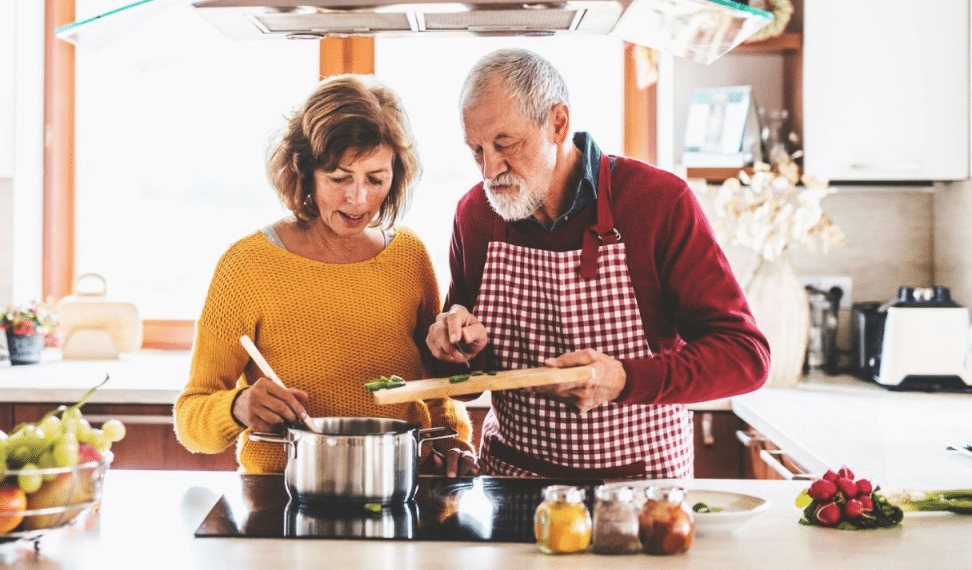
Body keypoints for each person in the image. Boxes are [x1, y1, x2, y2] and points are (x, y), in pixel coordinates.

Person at [426, 48, 769, 479]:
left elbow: (745, 356)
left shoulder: (658, 202)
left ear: (558, 123)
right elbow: (458, 372)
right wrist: (459, 348)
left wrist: (623, 379)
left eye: (505, 143)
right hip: (512, 482)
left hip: (640, 488)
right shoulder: (476, 214)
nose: (490, 169)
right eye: (476, 150)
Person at [175, 74, 474, 474]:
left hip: (398, 484)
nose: (358, 198)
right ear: (303, 171)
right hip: (283, 495)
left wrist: (453, 442)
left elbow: (434, 389)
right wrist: (236, 406)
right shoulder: (247, 266)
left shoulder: (408, 256)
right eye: (339, 178)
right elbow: (191, 419)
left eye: (375, 179)